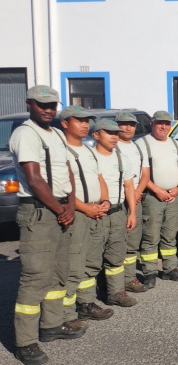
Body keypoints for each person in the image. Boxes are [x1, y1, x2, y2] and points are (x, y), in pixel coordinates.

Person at [10, 86, 83, 365]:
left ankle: (51, 326)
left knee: (58, 271)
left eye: (52, 104)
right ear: (29, 104)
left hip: (61, 207)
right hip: (40, 211)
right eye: (42, 104)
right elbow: (35, 179)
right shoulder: (26, 134)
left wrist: (71, 204)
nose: (48, 109)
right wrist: (60, 209)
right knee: (36, 276)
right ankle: (25, 343)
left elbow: (67, 171)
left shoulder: (55, 134)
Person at [60, 105, 113, 329]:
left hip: (96, 212)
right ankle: (65, 314)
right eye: (79, 120)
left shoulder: (89, 150)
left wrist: (105, 202)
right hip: (78, 214)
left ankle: (86, 303)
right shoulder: (60, 150)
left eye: (87, 121)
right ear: (65, 124)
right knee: (74, 265)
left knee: (91, 263)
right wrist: (85, 208)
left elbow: (99, 178)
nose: (85, 124)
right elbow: (62, 188)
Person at [78, 119, 139, 308]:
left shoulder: (122, 159)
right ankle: (86, 301)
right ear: (96, 135)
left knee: (115, 254)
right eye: (109, 133)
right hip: (94, 213)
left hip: (117, 212)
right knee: (92, 258)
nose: (115, 137)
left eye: (116, 133)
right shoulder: (88, 158)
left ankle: (115, 292)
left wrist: (132, 213)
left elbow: (129, 187)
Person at [137, 111, 178, 288]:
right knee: (151, 235)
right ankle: (149, 272)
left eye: (166, 123)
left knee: (170, 234)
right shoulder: (143, 144)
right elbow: (141, 174)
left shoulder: (176, 144)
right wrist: (157, 190)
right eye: (160, 123)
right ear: (152, 123)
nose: (164, 127)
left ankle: (169, 269)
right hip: (153, 197)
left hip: (174, 196)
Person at [115, 111, 150, 293]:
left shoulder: (138, 147)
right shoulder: (112, 146)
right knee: (115, 243)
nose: (128, 128)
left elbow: (145, 174)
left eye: (132, 124)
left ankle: (129, 278)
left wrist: (137, 192)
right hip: (118, 200)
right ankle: (114, 282)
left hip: (135, 198)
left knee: (132, 241)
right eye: (124, 124)